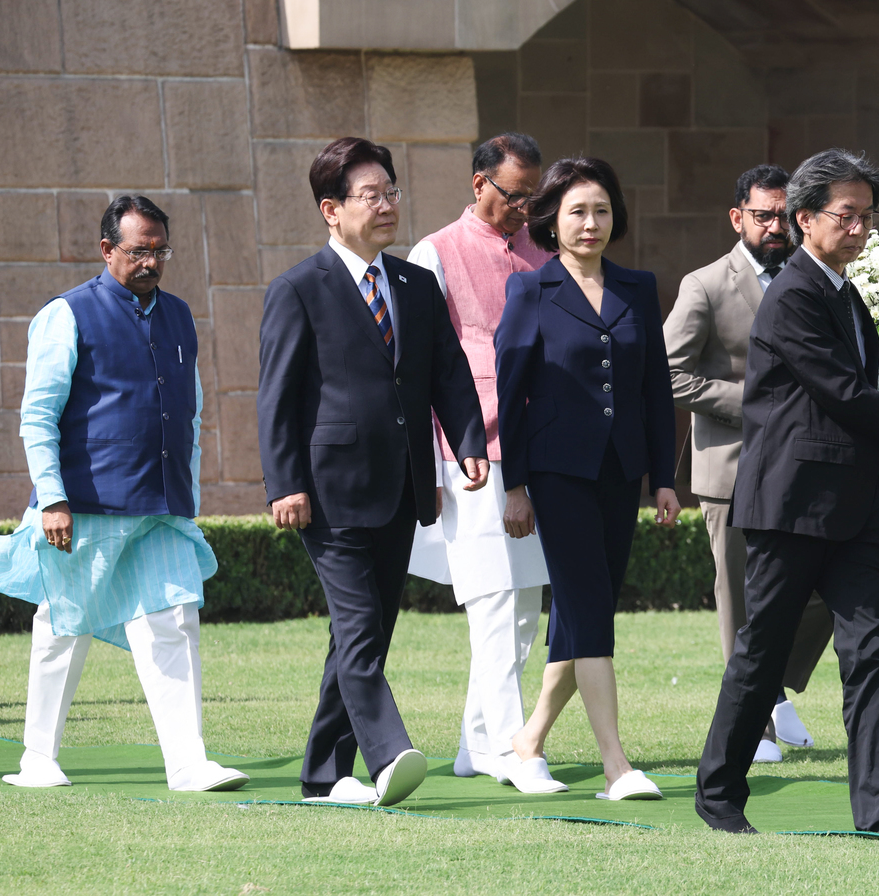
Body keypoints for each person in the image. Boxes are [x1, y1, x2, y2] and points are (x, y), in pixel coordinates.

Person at [693, 149, 879, 838]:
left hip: (859, 507)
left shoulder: (848, 294)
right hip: (792, 504)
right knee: (762, 652)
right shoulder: (793, 294)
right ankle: (719, 794)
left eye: (867, 216)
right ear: (804, 219)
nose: (858, 229)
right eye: (845, 216)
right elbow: (845, 394)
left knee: (872, 654)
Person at [0, 196, 248, 793]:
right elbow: (38, 415)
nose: (151, 262)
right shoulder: (66, 314)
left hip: (162, 506)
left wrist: (190, 489)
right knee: (62, 627)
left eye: (160, 251)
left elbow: (191, 410)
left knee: (174, 617)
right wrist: (51, 497)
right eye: (138, 251)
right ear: (107, 250)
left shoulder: (179, 315)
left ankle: (187, 763)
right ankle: (37, 758)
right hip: (84, 506)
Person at [257, 137, 489, 807]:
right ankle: (389, 756)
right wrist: (285, 484)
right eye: (372, 195)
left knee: (364, 633)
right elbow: (277, 396)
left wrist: (467, 437)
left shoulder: (414, 284)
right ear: (331, 209)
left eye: (391, 191)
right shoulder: (299, 289)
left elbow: (445, 367)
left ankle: (324, 776)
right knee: (359, 629)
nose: (387, 204)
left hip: (402, 484)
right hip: (328, 492)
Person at [494, 157, 680, 800]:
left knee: (580, 617)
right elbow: (512, 393)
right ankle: (616, 767)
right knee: (590, 613)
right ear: (552, 220)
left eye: (601, 210)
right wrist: (513, 484)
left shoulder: (638, 287)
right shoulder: (529, 291)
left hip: (620, 473)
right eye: (577, 210)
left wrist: (664, 476)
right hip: (555, 473)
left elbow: (656, 389)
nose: (590, 223)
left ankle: (527, 743)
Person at [664, 164, 832, 763]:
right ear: (737, 217)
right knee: (739, 598)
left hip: (805, 469)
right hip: (731, 467)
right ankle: (753, 723)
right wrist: (757, 405)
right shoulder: (705, 284)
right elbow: (669, 373)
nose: (774, 226)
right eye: (762, 215)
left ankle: (772, 691)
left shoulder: (816, 279)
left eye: (784, 216)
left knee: (826, 590)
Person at [403, 133, 554, 785]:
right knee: (494, 599)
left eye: (533, 197)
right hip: (465, 456)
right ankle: (507, 751)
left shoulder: (543, 254)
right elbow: (414, 372)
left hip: (535, 451)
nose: (525, 209)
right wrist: (428, 463)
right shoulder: (431, 254)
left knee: (524, 606)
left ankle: (476, 742)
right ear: (478, 184)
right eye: (514, 195)